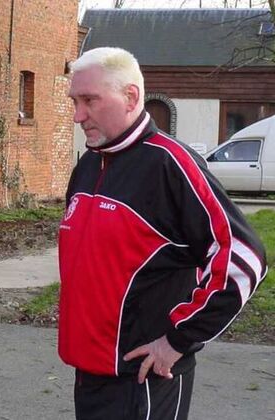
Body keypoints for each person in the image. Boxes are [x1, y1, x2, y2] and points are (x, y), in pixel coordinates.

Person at [59, 46, 267, 420]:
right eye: (75, 101)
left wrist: (178, 340)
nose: (78, 115)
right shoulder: (89, 164)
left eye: (89, 100)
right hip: (89, 373)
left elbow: (244, 257)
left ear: (130, 97)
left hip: (145, 378)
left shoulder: (170, 164)